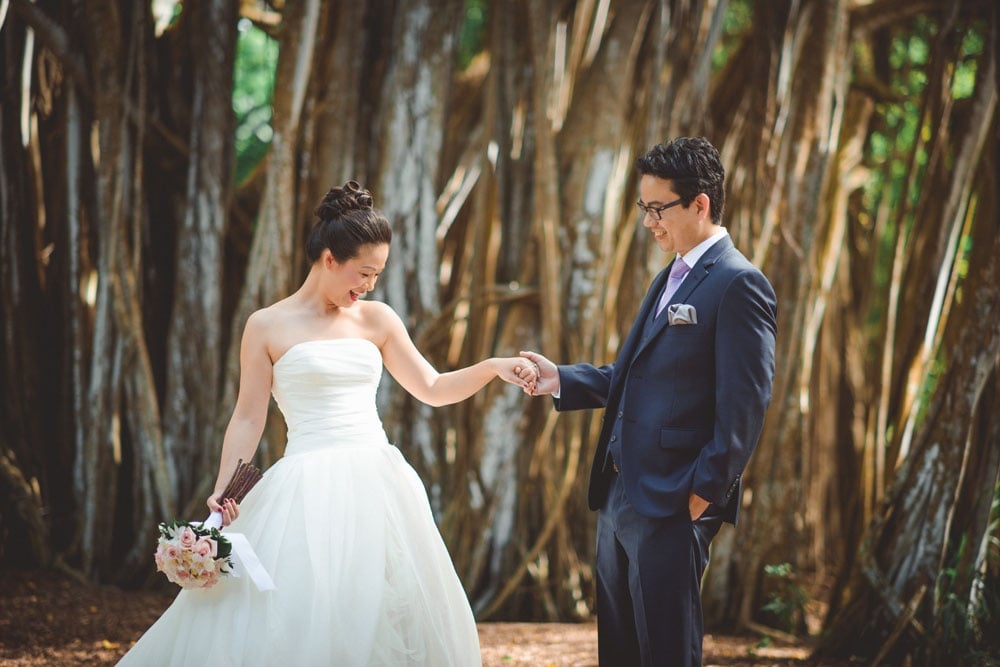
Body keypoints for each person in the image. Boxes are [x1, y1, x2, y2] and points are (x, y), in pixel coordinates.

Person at [118, 180, 538, 666]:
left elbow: (432, 388)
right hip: (305, 484)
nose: (369, 286)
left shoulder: (377, 320)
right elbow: (249, 415)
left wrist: (492, 367)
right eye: (363, 272)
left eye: (377, 275)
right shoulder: (266, 325)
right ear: (329, 259)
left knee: (378, 611)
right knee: (300, 611)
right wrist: (224, 488)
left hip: (378, 483)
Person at [521, 137, 777, 667]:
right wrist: (560, 379)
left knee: (665, 650)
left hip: (673, 498)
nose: (648, 222)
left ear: (700, 204)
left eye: (658, 208)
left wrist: (703, 493)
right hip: (620, 493)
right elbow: (637, 374)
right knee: (621, 648)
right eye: (644, 208)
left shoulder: (738, 283)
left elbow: (745, 403)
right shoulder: (671, 275)